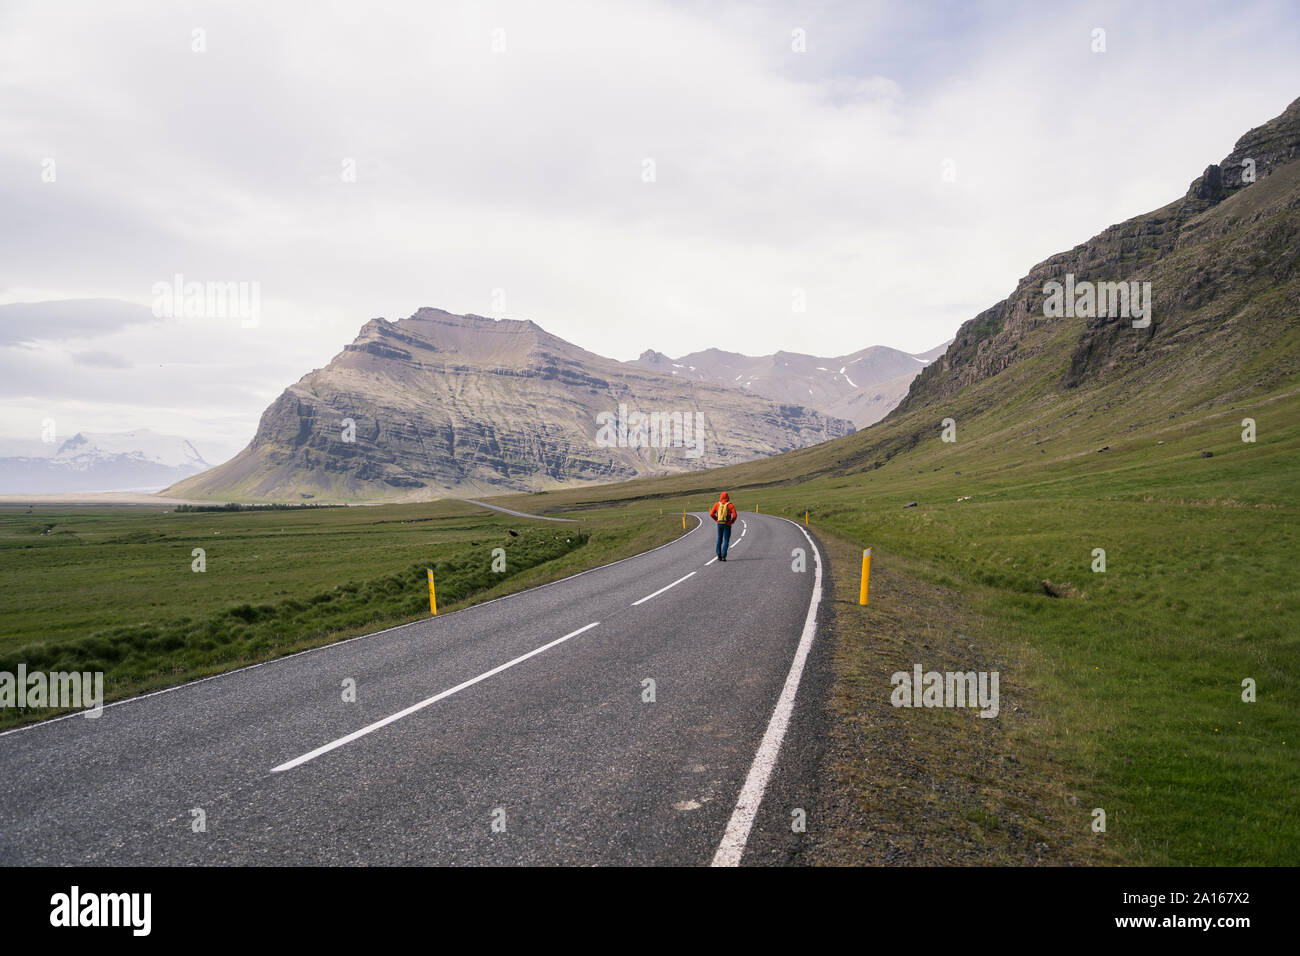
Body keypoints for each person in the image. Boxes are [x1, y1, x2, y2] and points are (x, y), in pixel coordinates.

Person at [709, 491, 737, 561]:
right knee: (726, 540)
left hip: (720, 524)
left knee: (719, 539)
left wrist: (716, 520)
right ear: (728, 497)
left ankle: (719, 555)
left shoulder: (717, 504)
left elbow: (711, 514)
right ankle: (724, 555)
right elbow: (735, 515)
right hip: (727, 524)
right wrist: (732, 521)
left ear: (721, 497)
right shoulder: (730, 505)